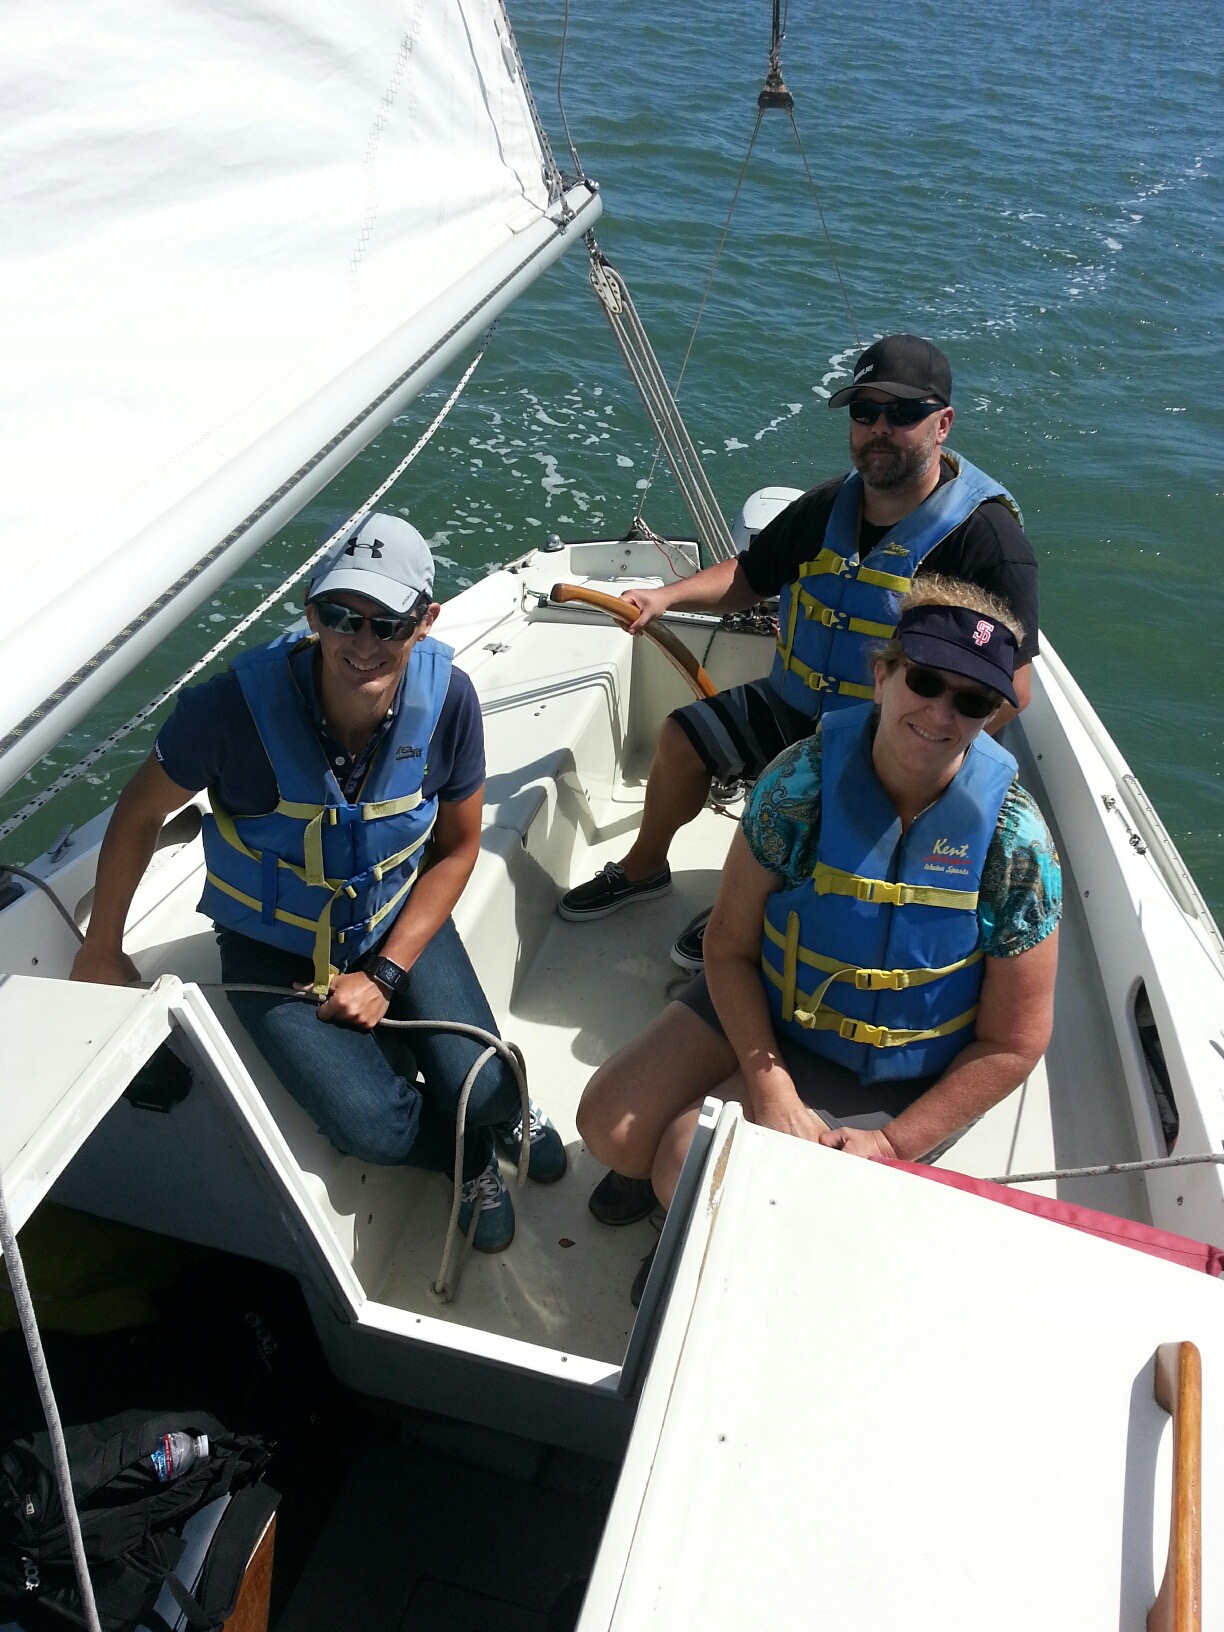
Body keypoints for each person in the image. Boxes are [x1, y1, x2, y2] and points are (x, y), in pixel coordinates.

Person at [71, 513, 566, 1252]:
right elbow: (140, 812)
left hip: (395, 918)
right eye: (341, 615)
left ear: (425, 621)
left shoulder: (449, 702)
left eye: (389, 623)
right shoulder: (226, 712)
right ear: (311, 611)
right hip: (275, 948)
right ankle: (457, 1155)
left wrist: (388, 973)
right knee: (372, 1126)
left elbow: (458, 850)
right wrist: (101, 948)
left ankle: (498, 1112)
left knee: (488, 1084)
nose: (362, 644)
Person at [576, 577, 1061, 1302]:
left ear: (993, 715)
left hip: (896, 1067)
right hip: (774, 1003)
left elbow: (1016, 1043)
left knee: (685, 1160)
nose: (941, 713)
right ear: (882, 672)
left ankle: (689, 1218)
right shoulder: (799, 785)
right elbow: (731, 946)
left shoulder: (1014, 843)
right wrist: (769, 1086)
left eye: (972, 700)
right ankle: (695, 1168)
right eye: (924, 681)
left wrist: (894, 1144)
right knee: (608, 1125)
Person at [558, 333, 1039, 947]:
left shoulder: (987, 542)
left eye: (903, 413)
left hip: (885, 734)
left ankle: (761, 913)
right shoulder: (827, 506)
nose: (879, 429)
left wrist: (918, 747)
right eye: (865, 413)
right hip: (793, 702)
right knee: (682, 739)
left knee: (810, 809)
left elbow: (1013, 688)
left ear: (942, 423)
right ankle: (644, 866)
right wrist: (665, 598)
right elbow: (748, 576)